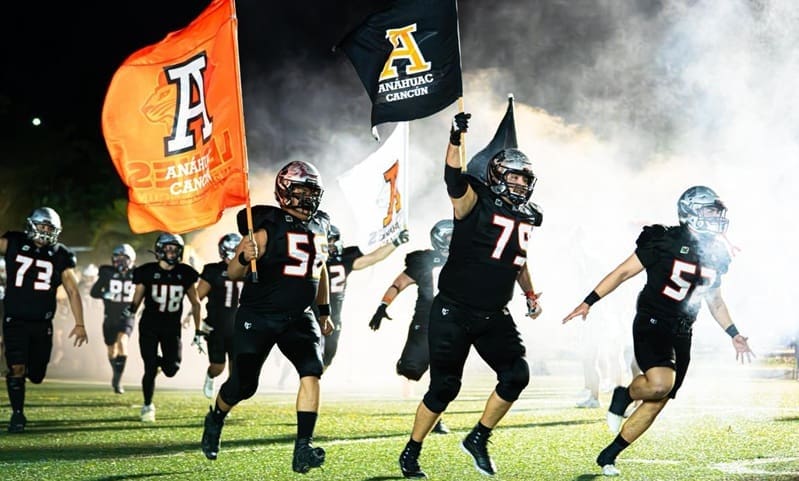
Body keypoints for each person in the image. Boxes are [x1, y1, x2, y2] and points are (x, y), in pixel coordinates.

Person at [562, 185, 754, 477]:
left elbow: (715, 300)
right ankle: (624, 395)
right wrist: (589, 301)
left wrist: (734, 334)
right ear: (690, 211)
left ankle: (609, 455)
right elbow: (623, 271)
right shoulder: (664, 240)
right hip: (653, 322)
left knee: (658, 399)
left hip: (683, 332)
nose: (716, 218)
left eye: (718, 212)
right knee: (660, 384)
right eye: (709, 211)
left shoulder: (716, 253)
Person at [398, 113, 544, 478]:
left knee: (517, 375)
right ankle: (412, 451)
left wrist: (529, 293)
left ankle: (478, 437)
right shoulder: (473, 202)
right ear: (496, 176)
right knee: (445, 387)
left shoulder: (527, 216)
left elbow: (518, 258)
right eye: (513, 175)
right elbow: (452, 177)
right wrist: (456, 137)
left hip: (495, 313)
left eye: (524, 178)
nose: (519, 184)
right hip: (454, 311)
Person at [201, 160, 334, 475]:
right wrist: (245, 257)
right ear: (285, 191)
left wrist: (324, 310)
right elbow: (232, 273)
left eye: (312, 192)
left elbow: (321, 268)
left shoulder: (321, 225)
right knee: (244, 385)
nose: (308, 199)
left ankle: (303, 448)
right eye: (301, 191)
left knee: (312, 371)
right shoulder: (266, 226)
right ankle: (216, 417)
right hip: (259, 316)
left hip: (298, 317)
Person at [0, 207, 89, 432]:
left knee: (38, 374)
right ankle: (17, 415)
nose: (45, 231)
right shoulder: (13, 241)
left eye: (49, 228)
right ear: (31, 225)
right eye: (42, 226)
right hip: (14, 320)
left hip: (42, 323)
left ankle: (28, 378)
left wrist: (80, 323)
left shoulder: (61, 254)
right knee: (17, 368)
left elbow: (72, 290)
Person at [369, 219, 453, 435]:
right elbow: (399, 283)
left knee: (443, 373)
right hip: (425, 322)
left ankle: (435, 418)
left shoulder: (466, 259)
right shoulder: (424, 260)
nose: (454, 241)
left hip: (453, 323)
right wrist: (382, 306)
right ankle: (406, 372)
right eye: (450, 237)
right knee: (411, 368)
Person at [127, 233, 202, 422]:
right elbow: (137, 299)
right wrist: (129, 314)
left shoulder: (185, 273)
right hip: (149, 326)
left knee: (171, 369)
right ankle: (147, 405)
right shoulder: (147, 271)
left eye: (175, 249)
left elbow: (196, 303)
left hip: (171, 328)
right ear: (160, 250)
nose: (172, 252)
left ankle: (158, 364)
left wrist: (198, 330)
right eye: (168, 248)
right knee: (150, 368)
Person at [318, 220, 408, 370]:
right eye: (329, 241)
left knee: (328, 357)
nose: (332, 244)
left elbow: (372, 258)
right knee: (309, 354)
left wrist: (396, 242)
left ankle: (313, 383)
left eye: (334, 240)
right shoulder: (309, 260)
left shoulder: (344, 259)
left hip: (334, 316)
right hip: (312, 312)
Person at [196, 233, 243, 399]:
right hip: (216, 326)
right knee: (218, 367)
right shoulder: (213, 271)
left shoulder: (251, 271)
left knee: (235, 370)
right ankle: (210, 376)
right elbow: (196, 299)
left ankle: (225, 400)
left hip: (239, 328)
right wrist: (193, 319)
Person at [90, 244, 137, 394]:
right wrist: (105, 294)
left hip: (127, 315)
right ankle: (116, 373)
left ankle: (117, 380)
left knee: (123, 342)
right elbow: (94, 292)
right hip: (110, 316)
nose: (120, 261)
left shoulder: (136, 274)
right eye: (118, 258)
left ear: (131, 259)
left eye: (124, 258)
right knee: (112, 349)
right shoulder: (107, 273)